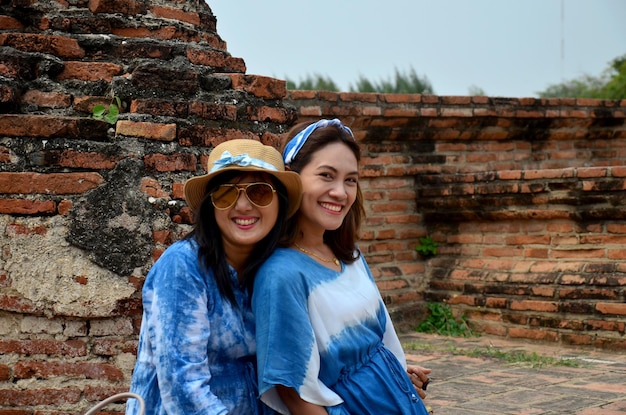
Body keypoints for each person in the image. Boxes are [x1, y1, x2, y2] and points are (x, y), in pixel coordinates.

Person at [252, 119, 431, 415]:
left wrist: (394, 375)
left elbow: (373, 340)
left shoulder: (349, 256)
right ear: (292, 179)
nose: (340, 192)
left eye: (350, 180)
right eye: (326, 175)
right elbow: (295, 392)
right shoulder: (281, 274)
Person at [126, 139, 302, 414]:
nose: (243, 206)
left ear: (279, 202)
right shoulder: (182, 266)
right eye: (226, 193)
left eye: (259, 192)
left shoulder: (274, 270)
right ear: (211, 205)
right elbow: (183, 389)